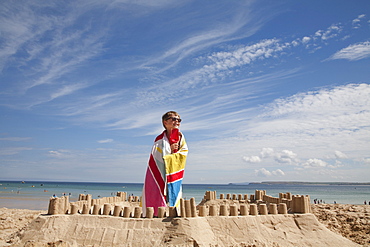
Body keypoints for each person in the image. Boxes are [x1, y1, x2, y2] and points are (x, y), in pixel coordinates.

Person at [142, 111, 189, 217]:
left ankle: (174, 213)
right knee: (155, 189)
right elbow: (155, 157)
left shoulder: (180, 137)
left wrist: (173, 154)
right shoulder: (159, 139)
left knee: (174, 192)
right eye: (173, 119)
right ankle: (154, 213)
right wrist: (169, 152)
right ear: (165, 122)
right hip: (158, 170)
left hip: (173, 171)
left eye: (179, 120)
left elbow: (184, 153)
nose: (177, 121)